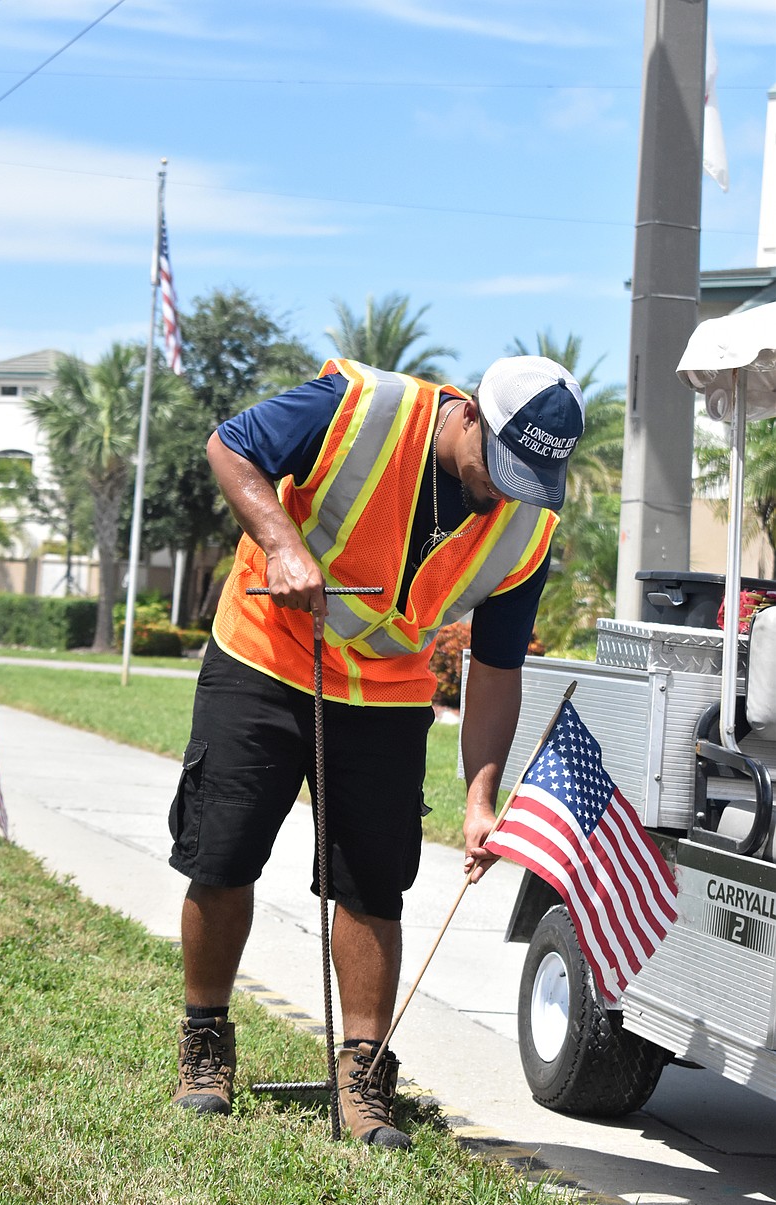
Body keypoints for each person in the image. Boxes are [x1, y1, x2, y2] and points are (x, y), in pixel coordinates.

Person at [168, 354, 585, 1148]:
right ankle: (205, 1040)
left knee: (373, 881)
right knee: (222, 849)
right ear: (468, 411)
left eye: (527, 479)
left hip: (386, 683)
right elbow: (231, 446)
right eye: (497, 466)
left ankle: (361, 1071)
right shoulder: (363, 408)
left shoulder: (526, 528)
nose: (501, 491)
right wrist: (283, 542)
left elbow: (497, 671)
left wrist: (480, 794)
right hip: (266, 647)